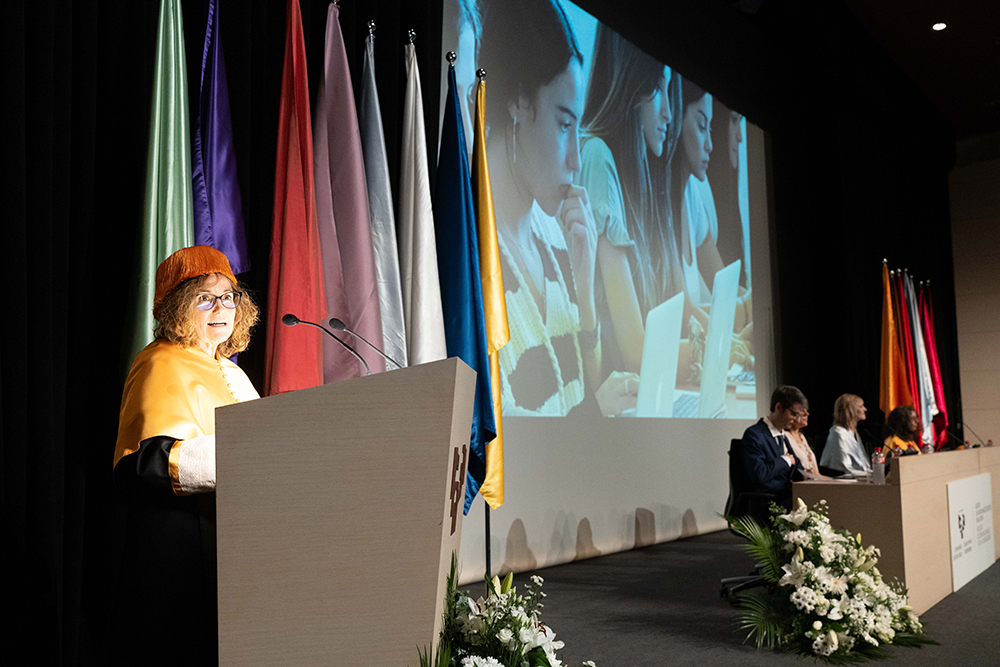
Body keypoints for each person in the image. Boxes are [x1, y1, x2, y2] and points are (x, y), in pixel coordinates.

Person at [479, 0, 636, 416]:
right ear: (517, 103)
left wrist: (584, 290)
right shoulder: (473, 251)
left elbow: (585, 390)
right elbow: (494, 438)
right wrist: (595, 412)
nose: (575, 160)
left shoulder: (551, 243)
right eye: (564, 124)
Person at [110, 245, 259, 665]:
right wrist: (239, 460)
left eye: (229, 296)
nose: (222, 307)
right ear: (178, 306)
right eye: (205, 297)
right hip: (178, 548)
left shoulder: (232, 370)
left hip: (233, 545)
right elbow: (138, 462)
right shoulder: (158, 361)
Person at [576, 25, 684, 375]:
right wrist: (705, 353)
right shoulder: (597, 156)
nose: (668, 112)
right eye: (658, 90)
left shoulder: (628, 177)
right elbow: (637, 352)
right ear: (632, 87)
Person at [741, 385, 807, 506]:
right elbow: (760, 474)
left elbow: (797, 467)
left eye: (799, 415)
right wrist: (786, 460)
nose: (796, 419)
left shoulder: (782, 435)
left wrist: (806, 475)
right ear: (778, 407)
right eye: (794, 414)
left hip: (784, 497)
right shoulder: (754, 435)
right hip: (768, 503)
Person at [821, 393, 873, 474]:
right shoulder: (838, 433)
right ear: (850, 410)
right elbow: (843, 467)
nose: (865, 409)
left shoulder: (854, 432)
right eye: (860, 406)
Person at [785, 398, 820, 476]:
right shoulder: (785, 436)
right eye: (802, 411)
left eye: (806, 410)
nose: (807, 414)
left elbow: (817, 474)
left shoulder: (802, 437)